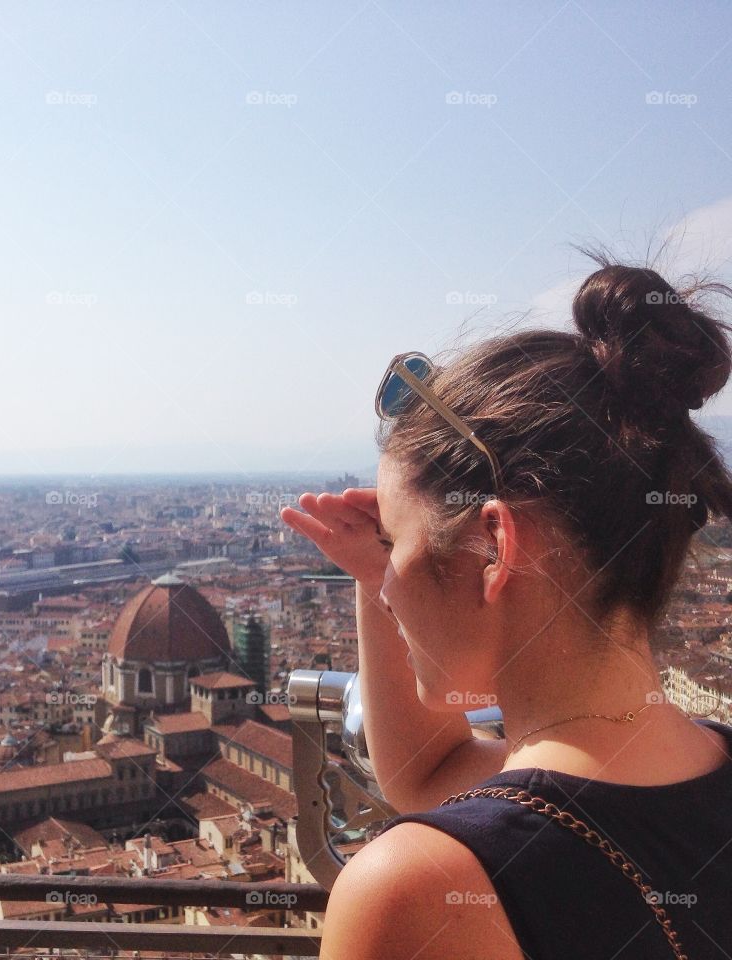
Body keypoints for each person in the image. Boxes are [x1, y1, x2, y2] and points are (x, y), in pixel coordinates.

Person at [280, 253, 732, 960]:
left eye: (393, 545)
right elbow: (427, 773)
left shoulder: (416, 892)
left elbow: (445, 792)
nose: (388, 583)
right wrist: (386, 570)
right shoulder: (700, 768)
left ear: (494, 549)